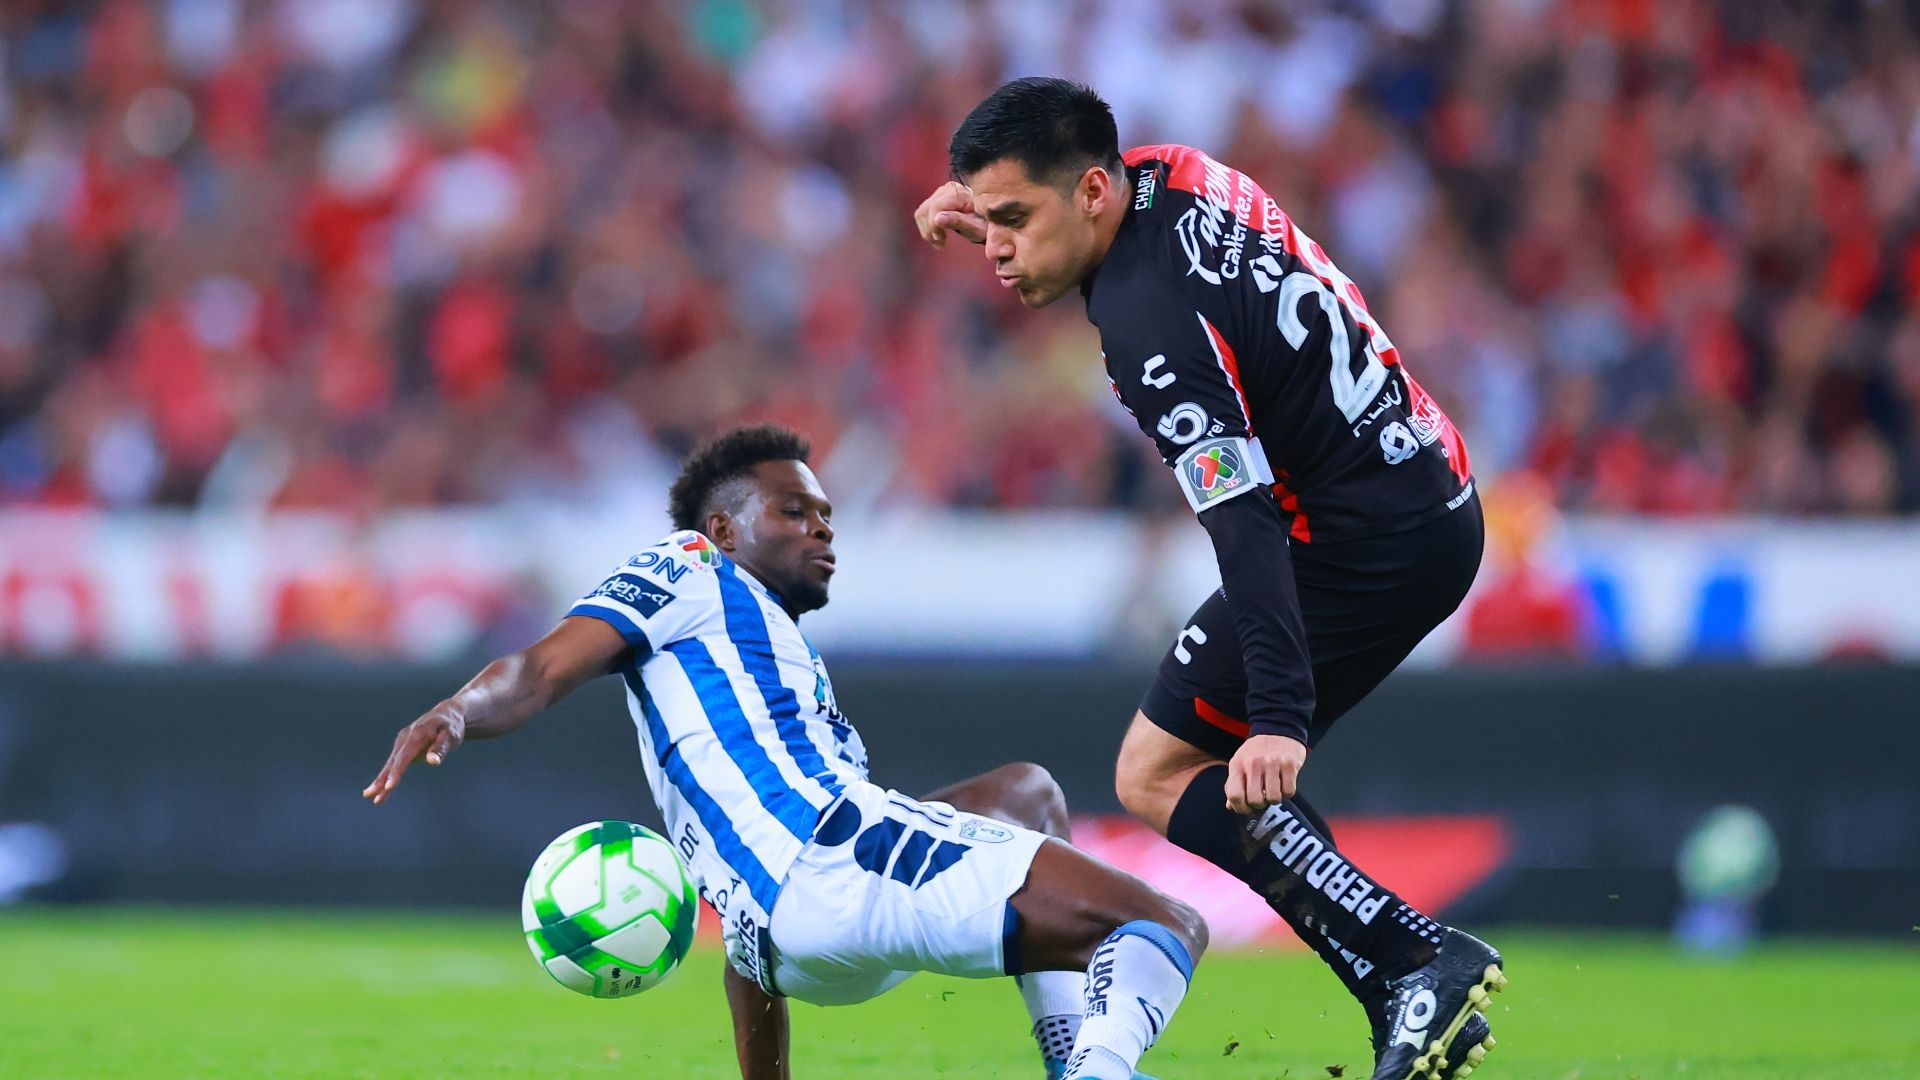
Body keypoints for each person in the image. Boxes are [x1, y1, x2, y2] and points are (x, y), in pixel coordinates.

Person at [915, 77, 1505, 1080]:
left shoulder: (1151, 329)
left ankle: (1414, 959)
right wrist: (983, 209)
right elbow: (1089, 201)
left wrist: (1279, 712)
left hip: (1367, 541)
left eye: (1014, 220)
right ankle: (1408, 969)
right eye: (993, 220)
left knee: (1156, 770)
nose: (1001, 249)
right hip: (1426, 485)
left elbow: (1242, 519)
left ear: (1093, 192)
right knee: (1166, 759)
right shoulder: (1183, 176)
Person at [362, 424, 1205, 1080]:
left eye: (827, 515)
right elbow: (542, 666)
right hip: (837, 864)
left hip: (783, 938)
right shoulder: (690, 568)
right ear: (724, 529)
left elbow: (745, 937)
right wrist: (461, 708)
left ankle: (1071, 1057)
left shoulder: (766, 679)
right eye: (794, 512)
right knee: (1166, 924)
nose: (821, 529)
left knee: (1026, 793)